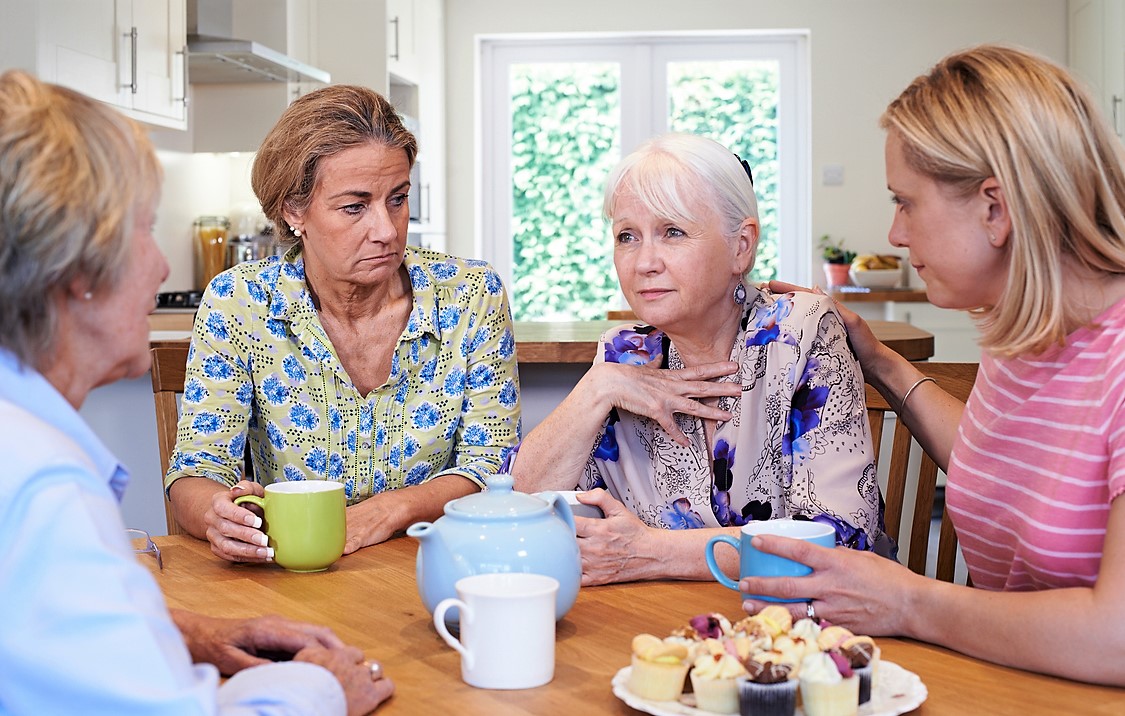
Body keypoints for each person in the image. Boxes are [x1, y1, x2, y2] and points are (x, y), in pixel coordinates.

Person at [0, 70, 392, 714]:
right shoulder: (44, 494)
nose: (160, 265)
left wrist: (190, 631)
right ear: (74, 272)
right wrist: (324, 689)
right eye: (144, 230)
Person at [741, 44, 1125, 686]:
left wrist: (909, 601)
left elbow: (1115, 637)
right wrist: (882, 363)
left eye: (905, 202)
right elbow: (1001, 465)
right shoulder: (1024, 329)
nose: (894, 233)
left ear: (994, 208)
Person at [511, 133, 893, 586]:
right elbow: (521, 511)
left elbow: (840, 541)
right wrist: (598, 386)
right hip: (655, 630)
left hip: (798, 632)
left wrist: (649, 552)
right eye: (626, 237)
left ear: (741, 247)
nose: (644, 262)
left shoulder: (801, 332)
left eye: (673, 231)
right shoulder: (624, 353)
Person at [164, 84, 520, 563]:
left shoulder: (471, 295)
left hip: (436, 570)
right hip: (293, 578)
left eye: (397, 198)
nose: (386, 229)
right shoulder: (240, 303)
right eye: (355, 207)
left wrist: (389, 510)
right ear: (294, 211)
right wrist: (216, 514)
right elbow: (197, 468)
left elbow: (491, 467)